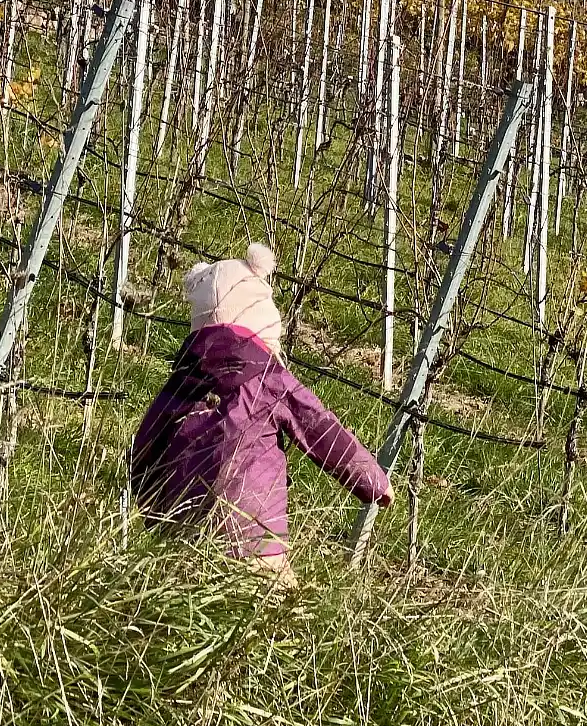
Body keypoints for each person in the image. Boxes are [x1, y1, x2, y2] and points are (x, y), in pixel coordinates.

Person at [130, 243, 391, 582]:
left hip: (182, 523)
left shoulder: (181, 381)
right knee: (279, 611)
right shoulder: (269, 377)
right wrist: (373, 482)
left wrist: (150, 507)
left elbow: (146, 443)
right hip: (253, 528)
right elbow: (319, 429)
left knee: (185, 603)